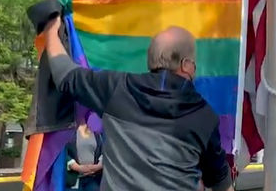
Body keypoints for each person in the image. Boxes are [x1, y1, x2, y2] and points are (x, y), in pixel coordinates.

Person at [44, 22, 233, 191]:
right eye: (193, 63)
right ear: (184, 65)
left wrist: (51, 28)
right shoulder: (204, 116)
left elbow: (65, 74)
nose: (195, 69)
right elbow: (220, 182)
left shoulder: (116, 88)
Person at [66, 118, 104, 191]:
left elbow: (104, 151)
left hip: (93, 178)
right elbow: (61, 152)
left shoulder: (96, 130)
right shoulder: (68, 129)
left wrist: (98, 166)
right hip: (74, 179)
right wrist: (76, 167)